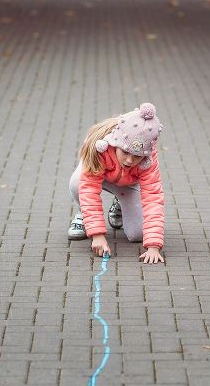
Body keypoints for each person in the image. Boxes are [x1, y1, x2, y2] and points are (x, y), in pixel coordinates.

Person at [68, 102, 165, 264]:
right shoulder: (100, 147)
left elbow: (153, 197)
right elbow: (89, 190)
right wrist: (97, 235)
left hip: (128, 184)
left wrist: (154, 246)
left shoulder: (148, 159)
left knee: (137, 235)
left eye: (137, 156)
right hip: (98, 175)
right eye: (125, 152)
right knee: (77, 183)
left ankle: (120, 203)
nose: (129, 160)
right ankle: (84, 216)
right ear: (116, 142)